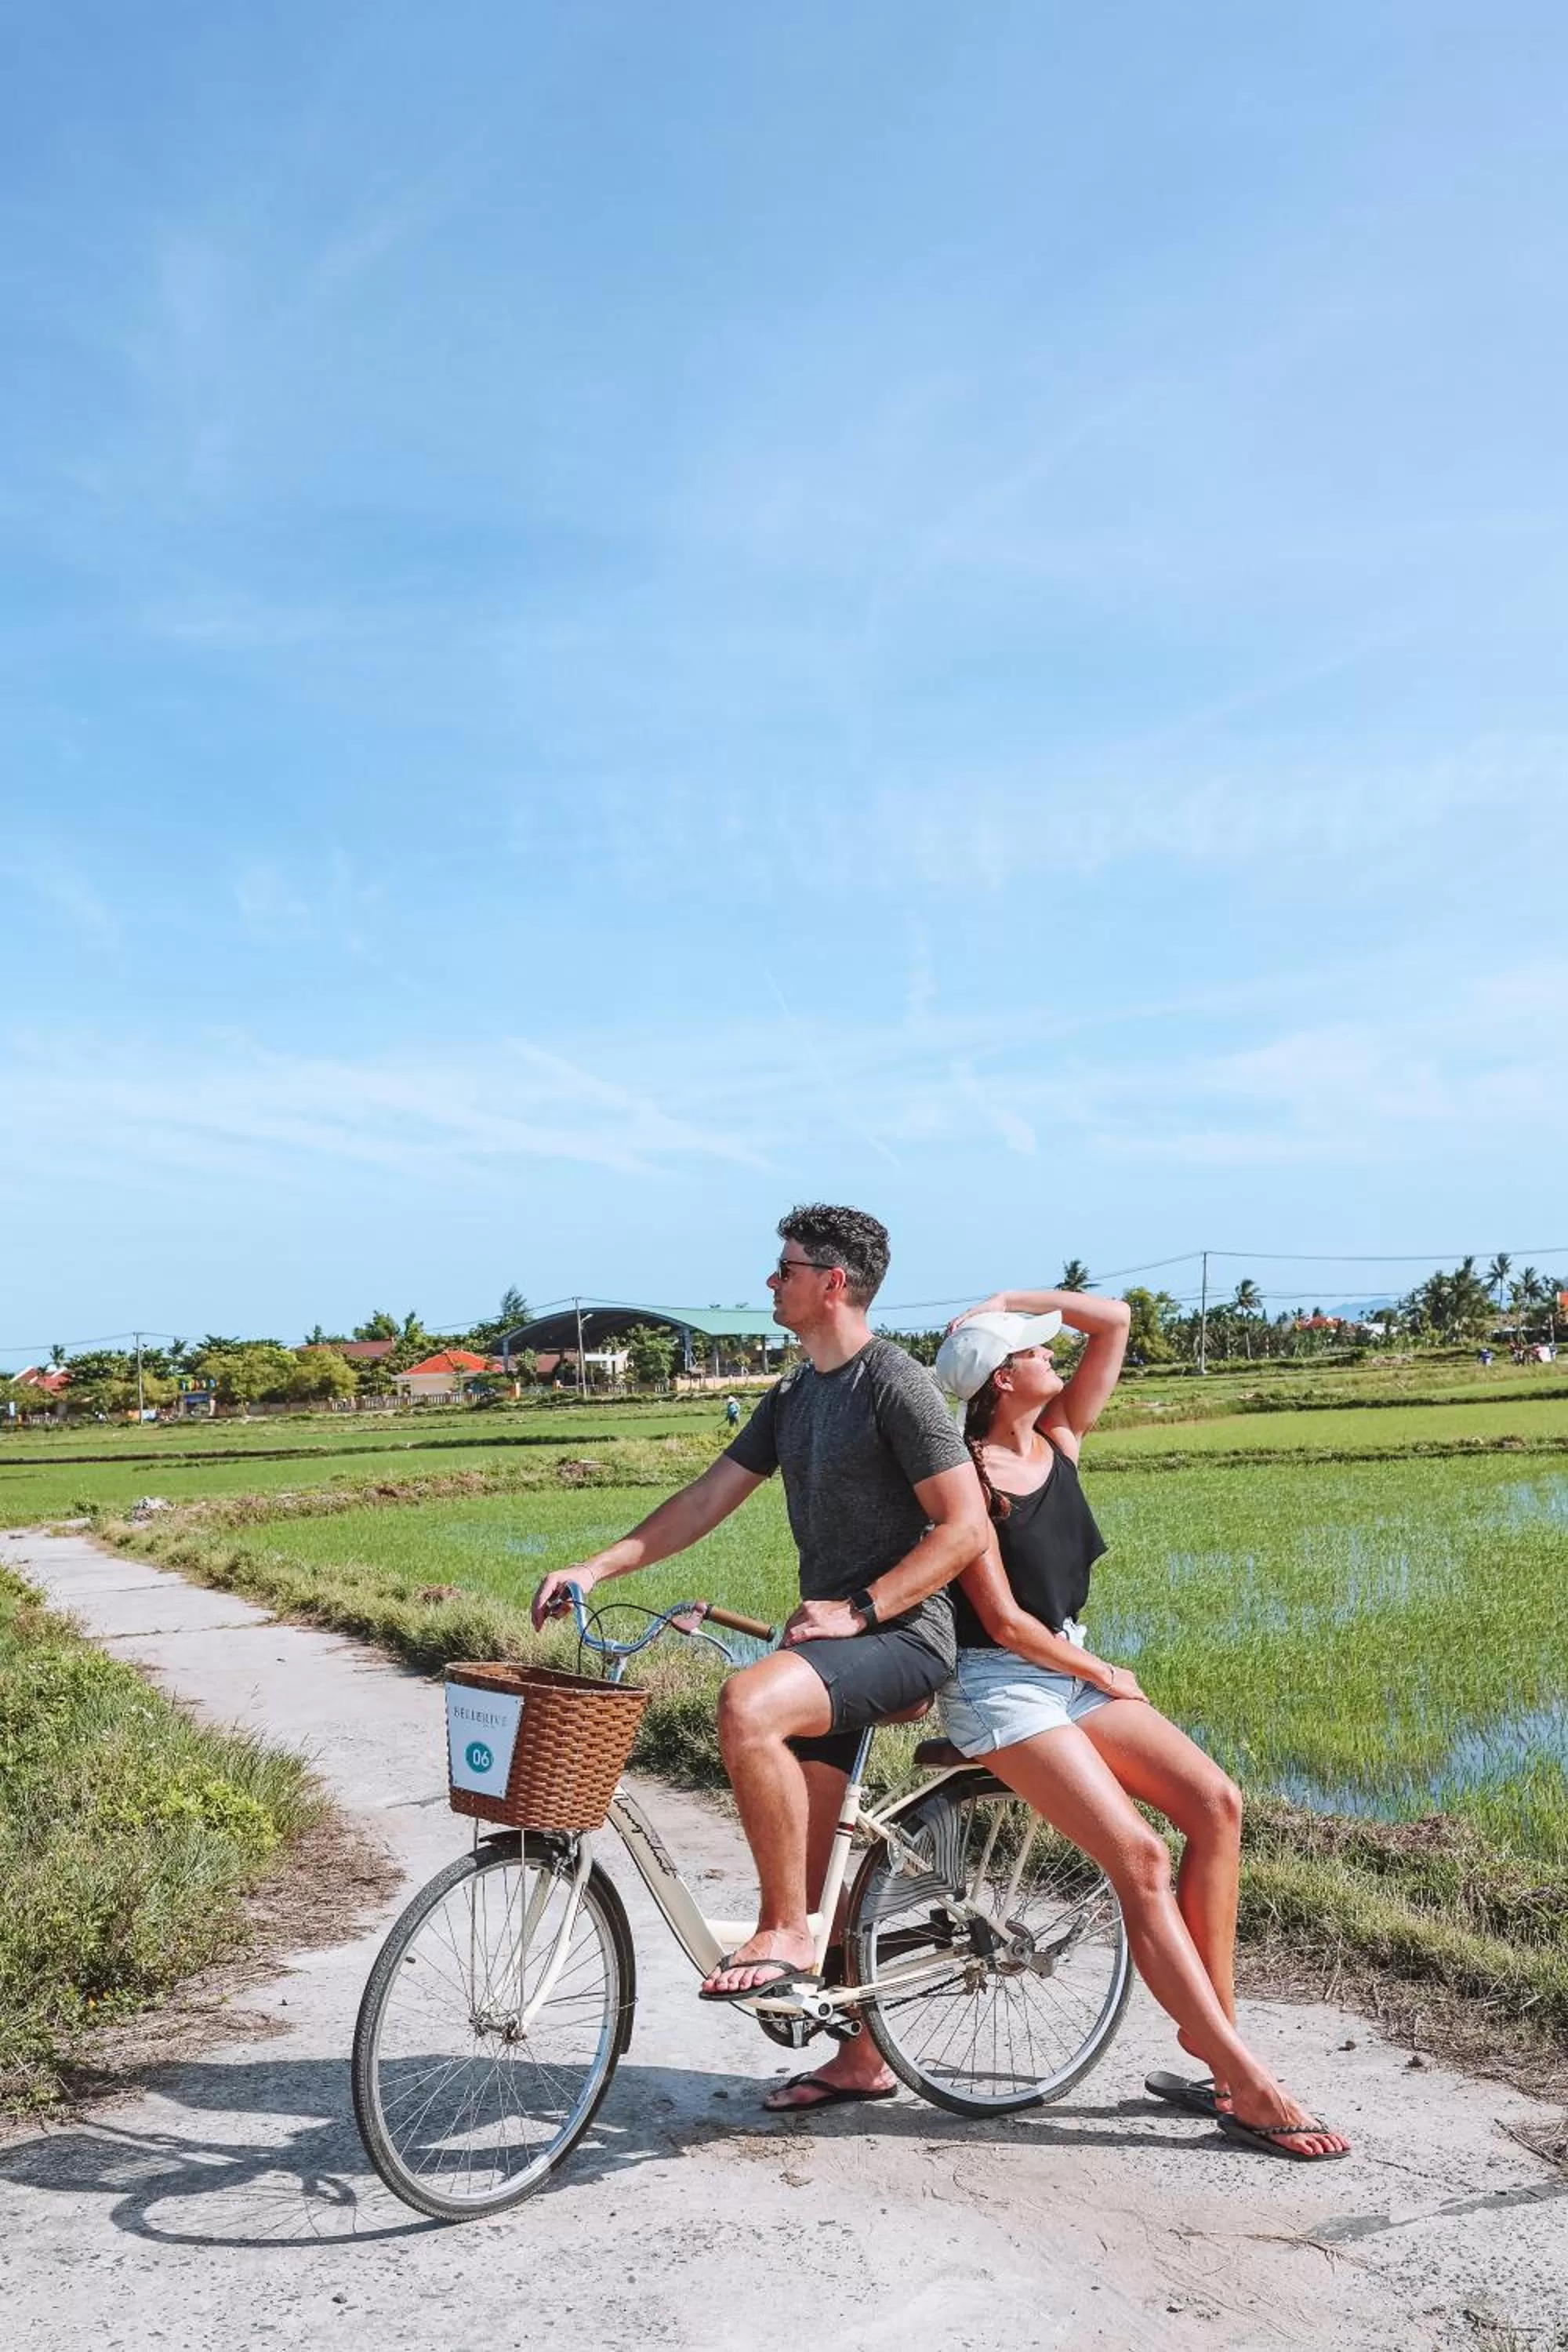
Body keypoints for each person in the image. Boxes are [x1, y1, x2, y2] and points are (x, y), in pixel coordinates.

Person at [532, 1204, 990, 2111]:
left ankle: (780, 1932)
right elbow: (706, 1499)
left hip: (900, 1638)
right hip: (829, 1646)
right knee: (814, 1871)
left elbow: (964, 1526)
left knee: (747, 1705)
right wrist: (594, 1566)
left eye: (782, 1269)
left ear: (831, 1283)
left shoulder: (894, 1386)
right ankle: (856, 2053)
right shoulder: (795, 1395)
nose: (767, 1283)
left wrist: (862, 1608)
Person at [932, 1288, 1350, 2162]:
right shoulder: (965, 1481)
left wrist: (1009, 1298)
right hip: (1004, 1686)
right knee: (1141, 1857)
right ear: (1004, 1378)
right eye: (1032, 1348)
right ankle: (1251, 2083)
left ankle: (1211, 2047)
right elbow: (1004, 1626)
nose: (1054, 1356)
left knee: (1214, 1804)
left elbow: (1111, 1319)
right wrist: (1103, 1674)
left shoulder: (1057, 1441)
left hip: (1068, 1673)